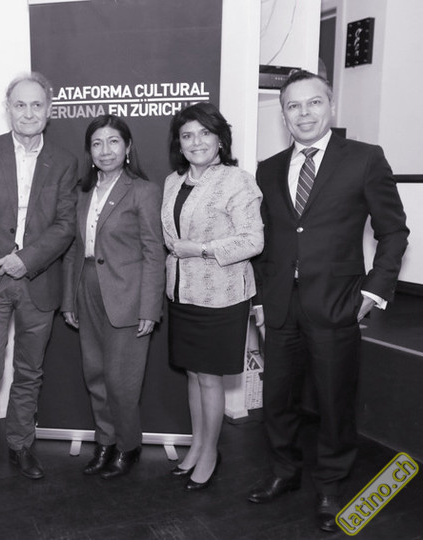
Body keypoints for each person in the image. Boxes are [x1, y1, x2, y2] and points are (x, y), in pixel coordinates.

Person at [248, 70, 408, 532]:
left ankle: (331, 485)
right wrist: (260, 299)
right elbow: (267, 241)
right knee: (277, 399)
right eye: (293, 106)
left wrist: (373, 291)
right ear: (283, 115)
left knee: (335, 401)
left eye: (313, 103)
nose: (304, 113)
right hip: (280, 304)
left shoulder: (365, 158)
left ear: (331, 106)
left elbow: (394, 231)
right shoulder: (268, 168)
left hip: (338, 302)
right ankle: (284, 471)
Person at [0, 72, 78, 494]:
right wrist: (8, 252)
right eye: (20, 105)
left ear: (49, 110)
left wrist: (25, 260)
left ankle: (21, 444)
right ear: (8, 109)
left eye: (37, 105)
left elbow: (65, 226)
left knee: (29, 373)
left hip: (37, 280)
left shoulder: (64, 161)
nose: (28, 113)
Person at [162, 102, 264, 491]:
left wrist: (202, 250)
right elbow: (172, 240)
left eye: (205, 133)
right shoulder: (173, 182)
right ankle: (196, 445)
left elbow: (253, 240)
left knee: (209, 378)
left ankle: (209, 453)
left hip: (221, 296)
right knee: (193, 373)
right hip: (182, 293)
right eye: (187, 135)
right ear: (179, 143)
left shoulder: (238, 181)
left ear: (220, 139)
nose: (196, 142)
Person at [62, 115, 164, 479]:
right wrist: (68, 299)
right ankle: (104, 442)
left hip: (127, 294)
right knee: (96, 376)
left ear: (128, 147)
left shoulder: (143, 191)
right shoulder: (81, 193)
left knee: (122, 383)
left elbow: (154, 252)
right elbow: (74, 250)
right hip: (86, 287)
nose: (105, 151)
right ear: (89, 151)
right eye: (97, 143)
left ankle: (128, 445)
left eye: (113, 142)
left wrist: (150, 307)